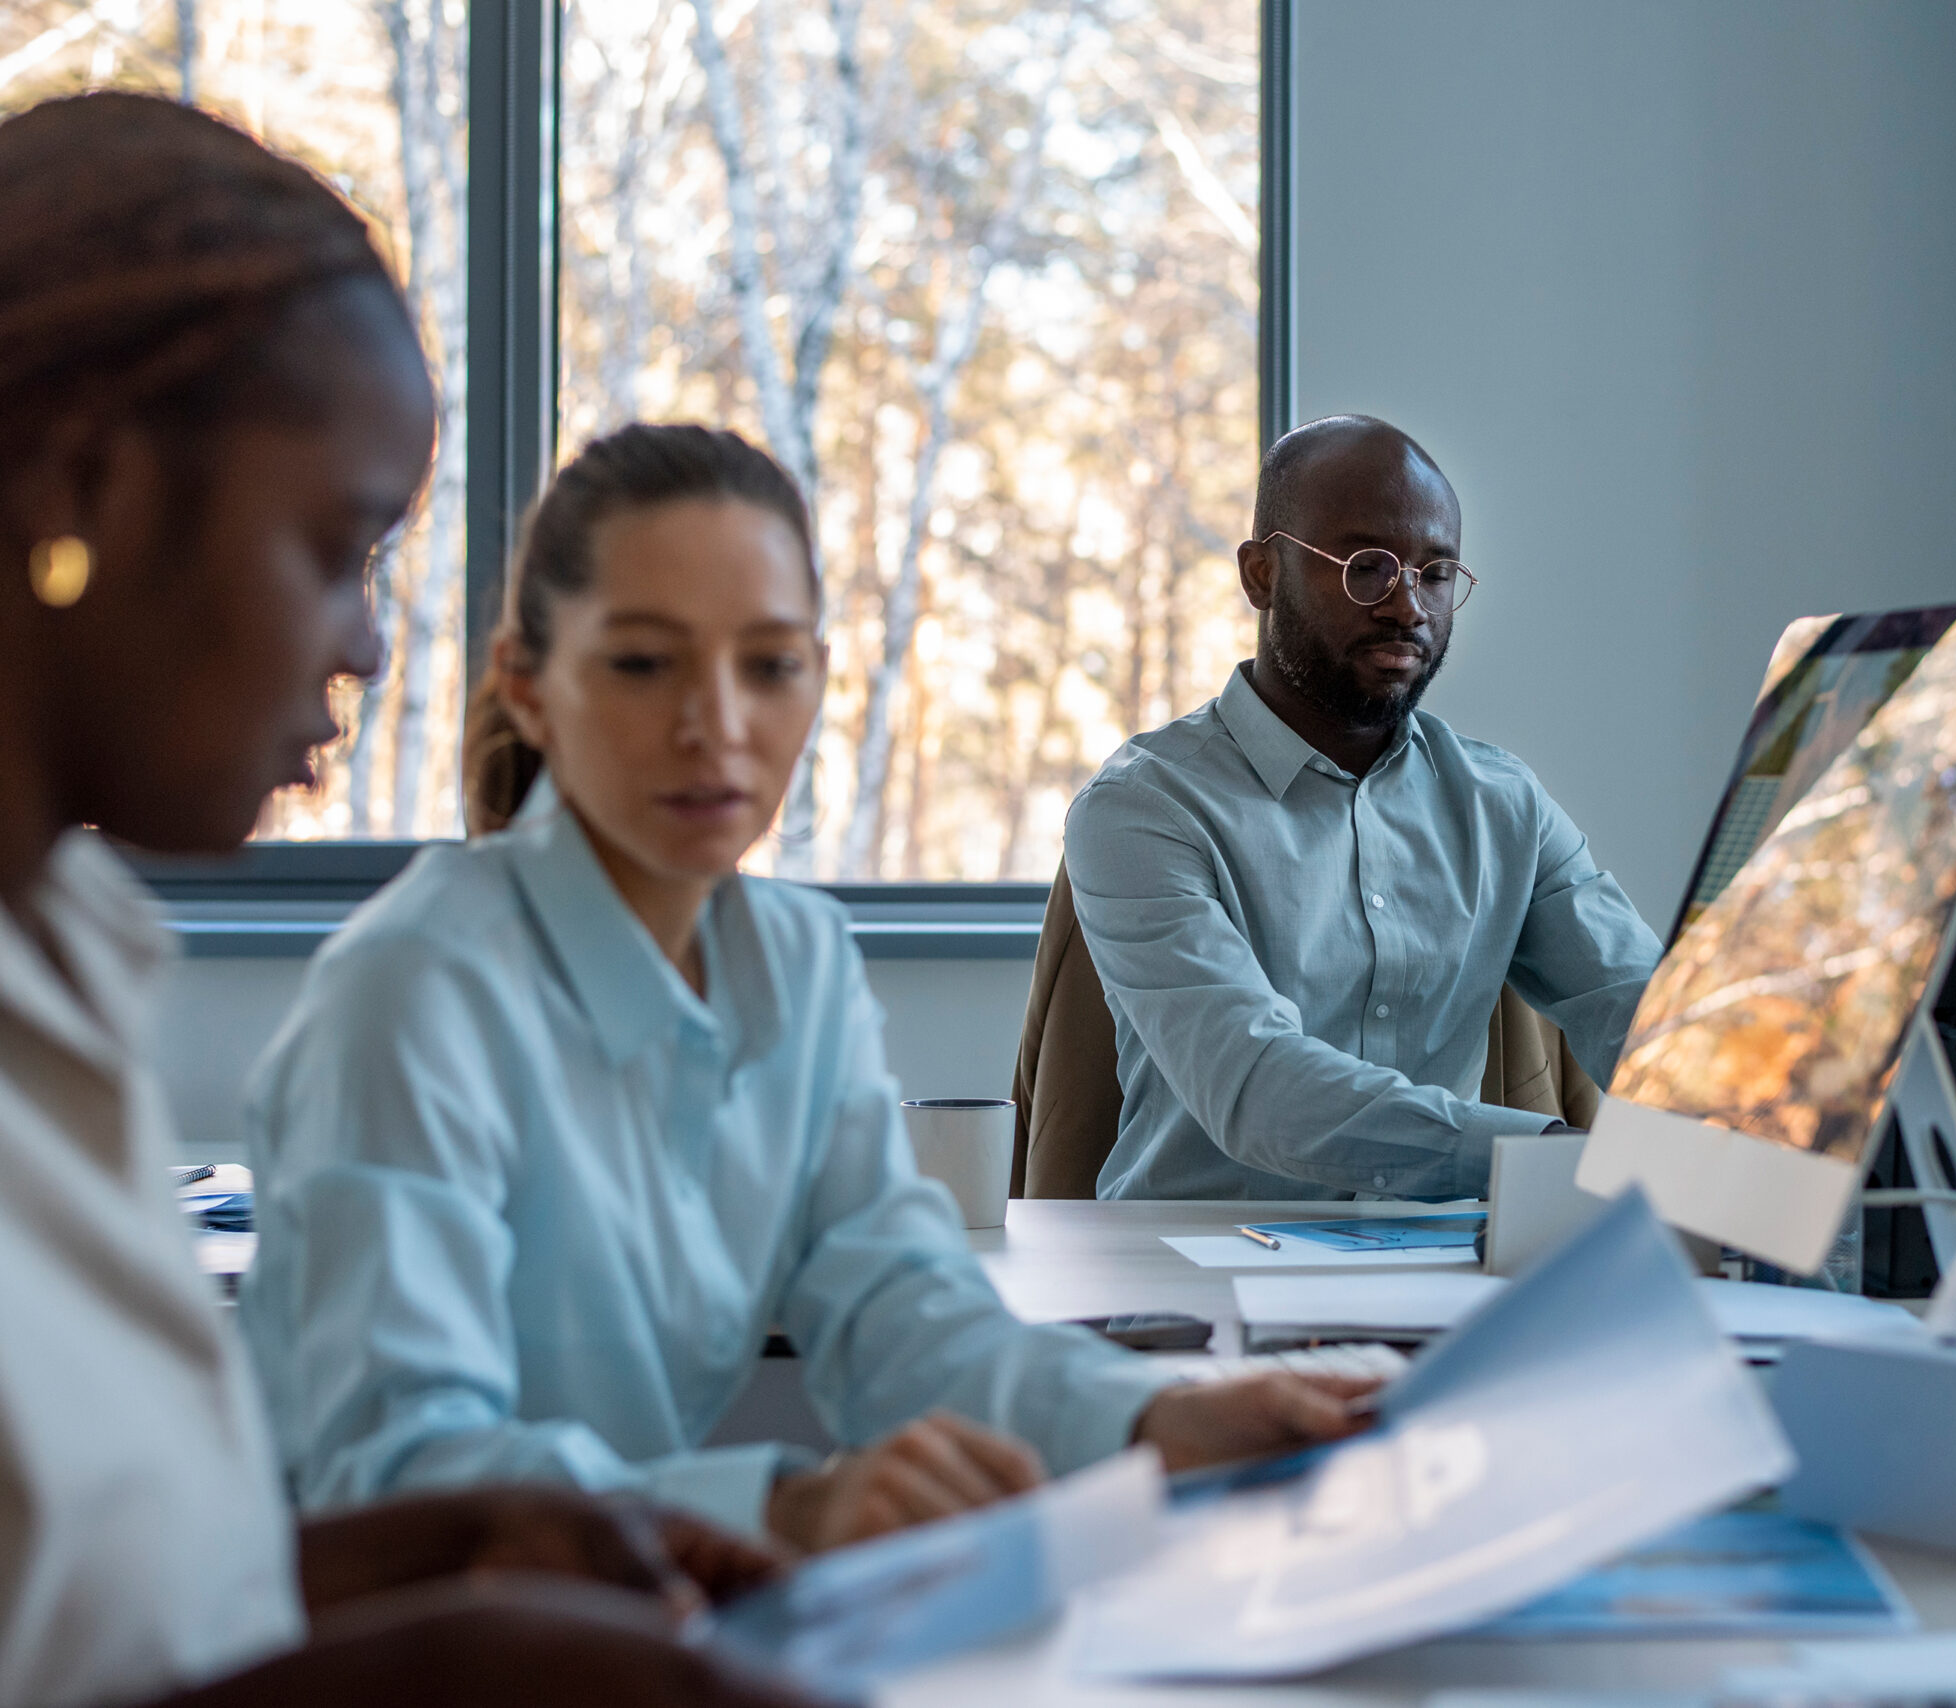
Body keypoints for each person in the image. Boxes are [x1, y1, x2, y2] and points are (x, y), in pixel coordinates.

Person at [0, 91, 807, 1708]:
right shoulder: (405, 976)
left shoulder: (68, 950)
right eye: (338, 545)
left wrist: (405, 1561)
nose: (367, 644)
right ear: (87, 490)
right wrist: (460, 1659)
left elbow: (77, 1603)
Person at [238, 422, 1373, 1554]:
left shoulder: (795, 961)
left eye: (770, 665)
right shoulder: (412, 989)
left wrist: (1161, 1419)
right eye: (643, 663)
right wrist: (779, 1508)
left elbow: (904, 1317)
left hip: (630, 1625)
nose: (716, 728)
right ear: (528, 690)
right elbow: (396, 1469)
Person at [1064, 415, 1663, 1199]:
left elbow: (1647, 1021)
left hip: (1438, 1274)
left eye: (1437, 571)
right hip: (1197, 1281)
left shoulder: (1503, 804)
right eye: (1366, 567)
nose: (1408, 606)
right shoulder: (1143, 806)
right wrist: (1561, 1158)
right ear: (1261, 575)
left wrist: (1787, 1134)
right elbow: (1258, 1090)